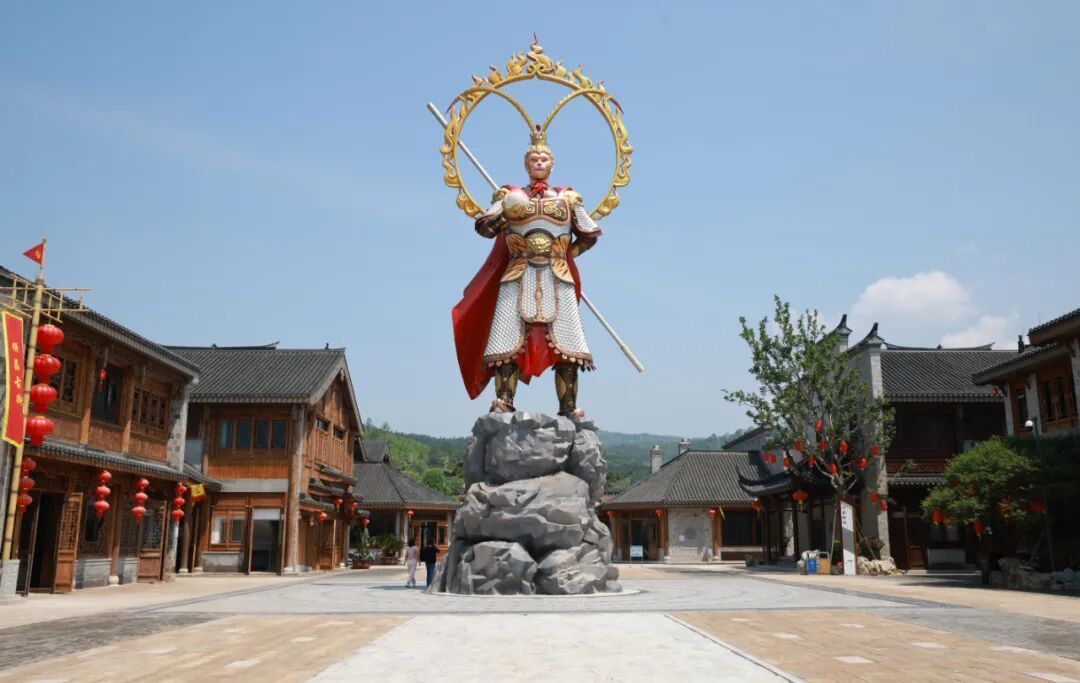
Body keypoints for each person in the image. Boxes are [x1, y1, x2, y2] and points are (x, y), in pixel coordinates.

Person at [452, 130, 600, 418]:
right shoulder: (508, 195)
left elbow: (589, 233)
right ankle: (504, 400)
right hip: (517, 273)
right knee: (506, 342)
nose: (539, 162)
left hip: (558, 275)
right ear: (526, 164)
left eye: (544, 158)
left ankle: (568, 406)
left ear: (552, 164)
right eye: (534, 159)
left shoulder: (568, 198)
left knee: (568, 346)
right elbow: (485, 228)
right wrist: (507, 212)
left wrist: (566, 252)